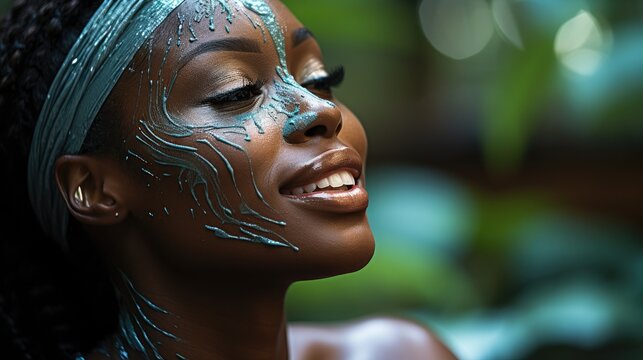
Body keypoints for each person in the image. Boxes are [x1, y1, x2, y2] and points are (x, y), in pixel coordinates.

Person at [0, 0, 457, 359]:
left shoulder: (398, 353)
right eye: (236, 92)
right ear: (93, 188)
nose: (323, 110)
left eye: (319, 79)